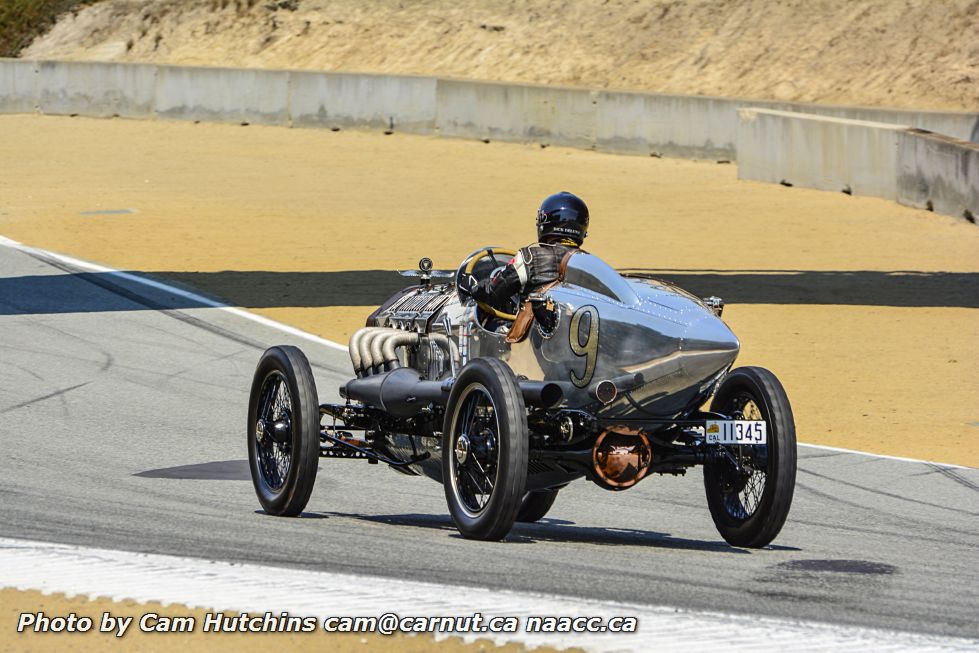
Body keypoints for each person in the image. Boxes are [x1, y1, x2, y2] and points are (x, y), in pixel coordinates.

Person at [467, 191, 589, 313]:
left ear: (544, 223)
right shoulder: (590, 264)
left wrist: (473, 287)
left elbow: (492, 293)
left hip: (536, 331)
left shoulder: (529, 258)